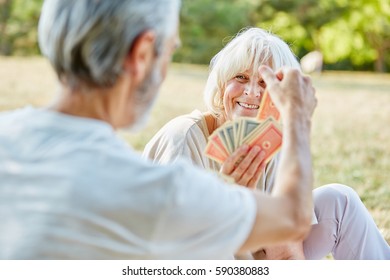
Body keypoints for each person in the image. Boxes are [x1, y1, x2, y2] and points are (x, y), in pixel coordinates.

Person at [0, 0, 317, 259]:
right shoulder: (153, 189)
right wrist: (297, 118)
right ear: (141, 54)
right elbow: (291, 219)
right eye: (168, 51)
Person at [143, 27, 390, 260]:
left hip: (253, 257)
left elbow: (286, 255)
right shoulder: (183, 137)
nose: (251, 92)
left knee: (339, 200)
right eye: (240, 77)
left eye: (264, 82)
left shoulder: (271, 144)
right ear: (221, 85)